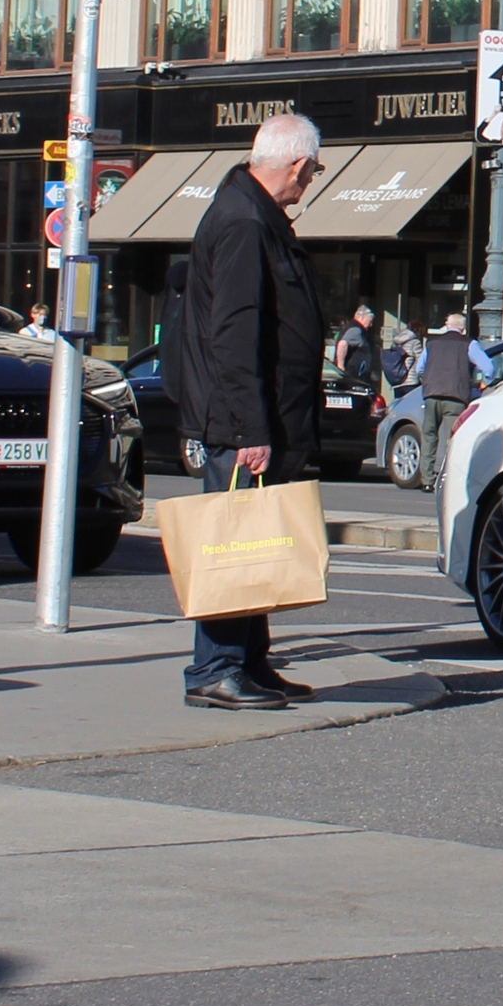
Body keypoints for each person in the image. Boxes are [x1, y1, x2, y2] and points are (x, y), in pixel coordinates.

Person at [170, 113, 329, 712]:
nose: (308, 183)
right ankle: (215, 667)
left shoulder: (252, 214)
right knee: (231, 545)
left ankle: (250, 663)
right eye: (311, 172)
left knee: (254, 542)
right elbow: (233, 334)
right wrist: (249, 428)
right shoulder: (243, 222)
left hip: (261, 416)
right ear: (296, 165)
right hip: (244, 423)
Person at [418, 312, 494, 490]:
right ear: (463, 328)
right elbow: (489, 368)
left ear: (447, 325)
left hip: (431, 395)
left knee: (429, 436)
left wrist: (430, 381)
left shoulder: (431, 343)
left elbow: (419, 368)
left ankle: (427, 480)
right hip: (456, 396)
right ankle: (449, 479)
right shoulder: (469, 344)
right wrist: (484, 382)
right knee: (453, 439)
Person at [335, 304, 380, 394]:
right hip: (353, 375)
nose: (371, 325)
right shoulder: (356, 330)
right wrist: (340, 366)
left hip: (355, 375)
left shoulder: (353, 328)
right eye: (370, 321)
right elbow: (342, 344)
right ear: (363, 317)